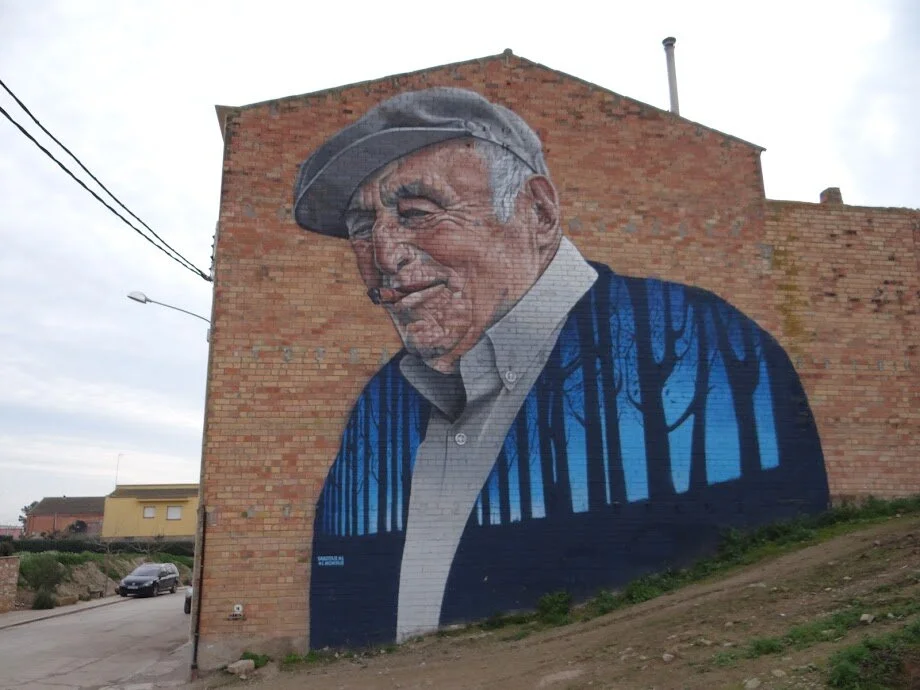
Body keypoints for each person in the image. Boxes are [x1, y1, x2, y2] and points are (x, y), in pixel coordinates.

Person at [293, 87, 829, 649]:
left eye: (418, 213)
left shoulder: (705, 346)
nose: (384, 255)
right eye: (362, 228)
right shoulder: (380, 408)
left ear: (540, 213)